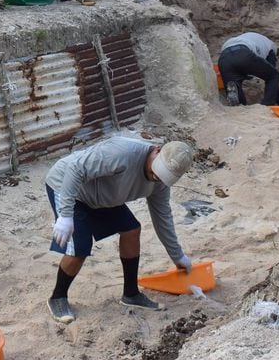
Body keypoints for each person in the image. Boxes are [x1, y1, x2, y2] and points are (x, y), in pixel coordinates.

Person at [45, 135, 194, 323]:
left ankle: (131, 294)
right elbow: (75, 169)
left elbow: (162, 217)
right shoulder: (121, 152)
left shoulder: (160, 184)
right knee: (80, 247)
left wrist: (177, 256)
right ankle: (57, 297)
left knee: (132, 230)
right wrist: (66, 215)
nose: (156, 178)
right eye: (157, 171)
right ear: (157, 150)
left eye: (163, 177)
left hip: (102, 196)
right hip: (67, 186)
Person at [217, 31, 279, 106]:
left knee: (235, 82)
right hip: (243, 53)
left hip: (224, 59)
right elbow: (272, 80)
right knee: (273, 76)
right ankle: (268, 104)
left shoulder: (250, 38)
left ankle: (238, 104)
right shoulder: (271, 49)